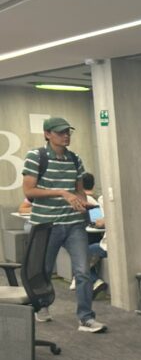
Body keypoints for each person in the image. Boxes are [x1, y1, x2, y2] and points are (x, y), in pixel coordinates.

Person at [21, 116, 106, 332]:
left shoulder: (75, 159)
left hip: (74, 225)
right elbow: (29, 191)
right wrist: (61, 193)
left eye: (68, 132)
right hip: (47, 225)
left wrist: (88, 206)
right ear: (48, 134)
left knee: (83, 271)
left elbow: (79, 191)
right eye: (60, 132)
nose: (66, 136)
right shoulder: (36, 157)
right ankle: (41, 306)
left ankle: (86, 318)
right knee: (44, 270)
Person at [80, 173, 108, 296]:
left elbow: (99, 222)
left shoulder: (89, 199)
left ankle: (95, 281)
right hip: (98, 236)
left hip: (102, 242)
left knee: (80, 254)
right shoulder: (96, 199)